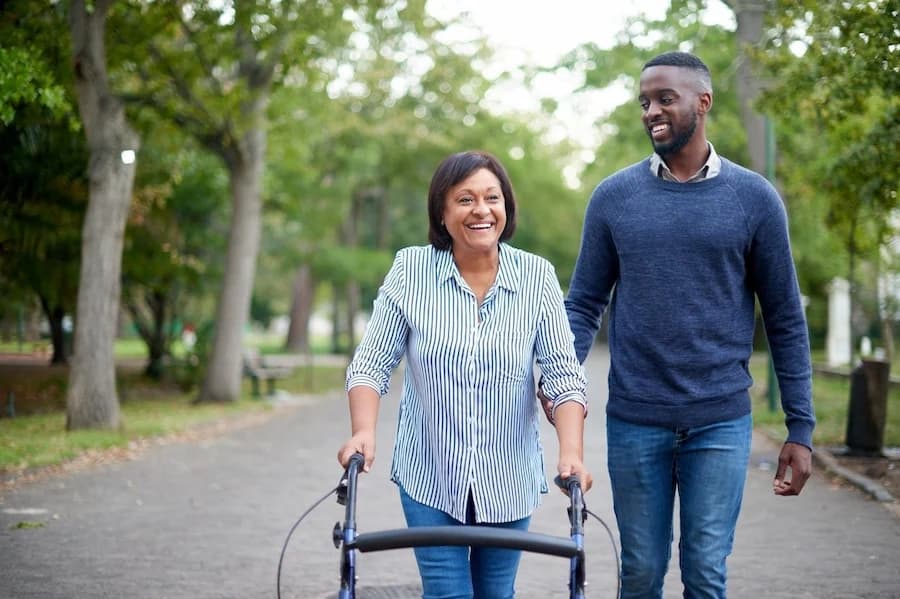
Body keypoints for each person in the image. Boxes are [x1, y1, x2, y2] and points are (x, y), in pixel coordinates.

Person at [553, 51, 816, 598]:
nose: (652, 111)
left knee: (705, 572)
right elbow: (582, 305)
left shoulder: (755, 199)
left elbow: (786, 319)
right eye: (644, 102)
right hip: (634, 418)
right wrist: (557, 382)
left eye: (664, 99)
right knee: (642, 572)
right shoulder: (613, 198)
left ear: (704, 102)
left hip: (720, 420)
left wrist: (801, 428)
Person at [337, 150, 592, 599]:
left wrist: (570, 453)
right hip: (430, 473)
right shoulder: (411, 270)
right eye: (465, 199)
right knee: (447, 595)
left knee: (496, 594)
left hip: (507, 476)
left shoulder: (537, 277)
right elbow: (372, 363)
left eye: (492, 198)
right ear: (442, 210)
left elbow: (563, 375)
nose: (481, 210)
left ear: (506, 207)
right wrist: (363, 432)